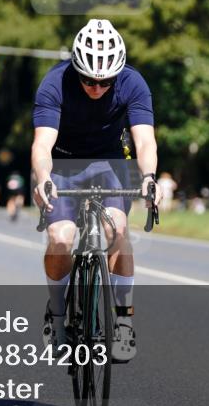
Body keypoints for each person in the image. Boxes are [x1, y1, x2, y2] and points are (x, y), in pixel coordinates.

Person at [31, 18, 161, 362]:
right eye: (88, 80)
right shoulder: (54, 83)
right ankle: (56, 316)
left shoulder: (133, 83)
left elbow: (145, 139)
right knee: (60, 236)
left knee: (116, 229)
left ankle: (122, 321)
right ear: (76, 68)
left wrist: (149, 178)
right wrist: (42, 177)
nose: (96, 88)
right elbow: (42, 144)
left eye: (105, 82)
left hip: (110, 163)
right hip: (63, 164)